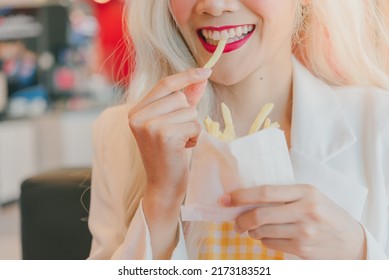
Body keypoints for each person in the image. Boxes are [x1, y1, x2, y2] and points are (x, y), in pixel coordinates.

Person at [87, 0, 389, 260]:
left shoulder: (379, 122)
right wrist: (162, 200)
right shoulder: (122, 134)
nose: (216, 6)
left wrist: (358, 252)